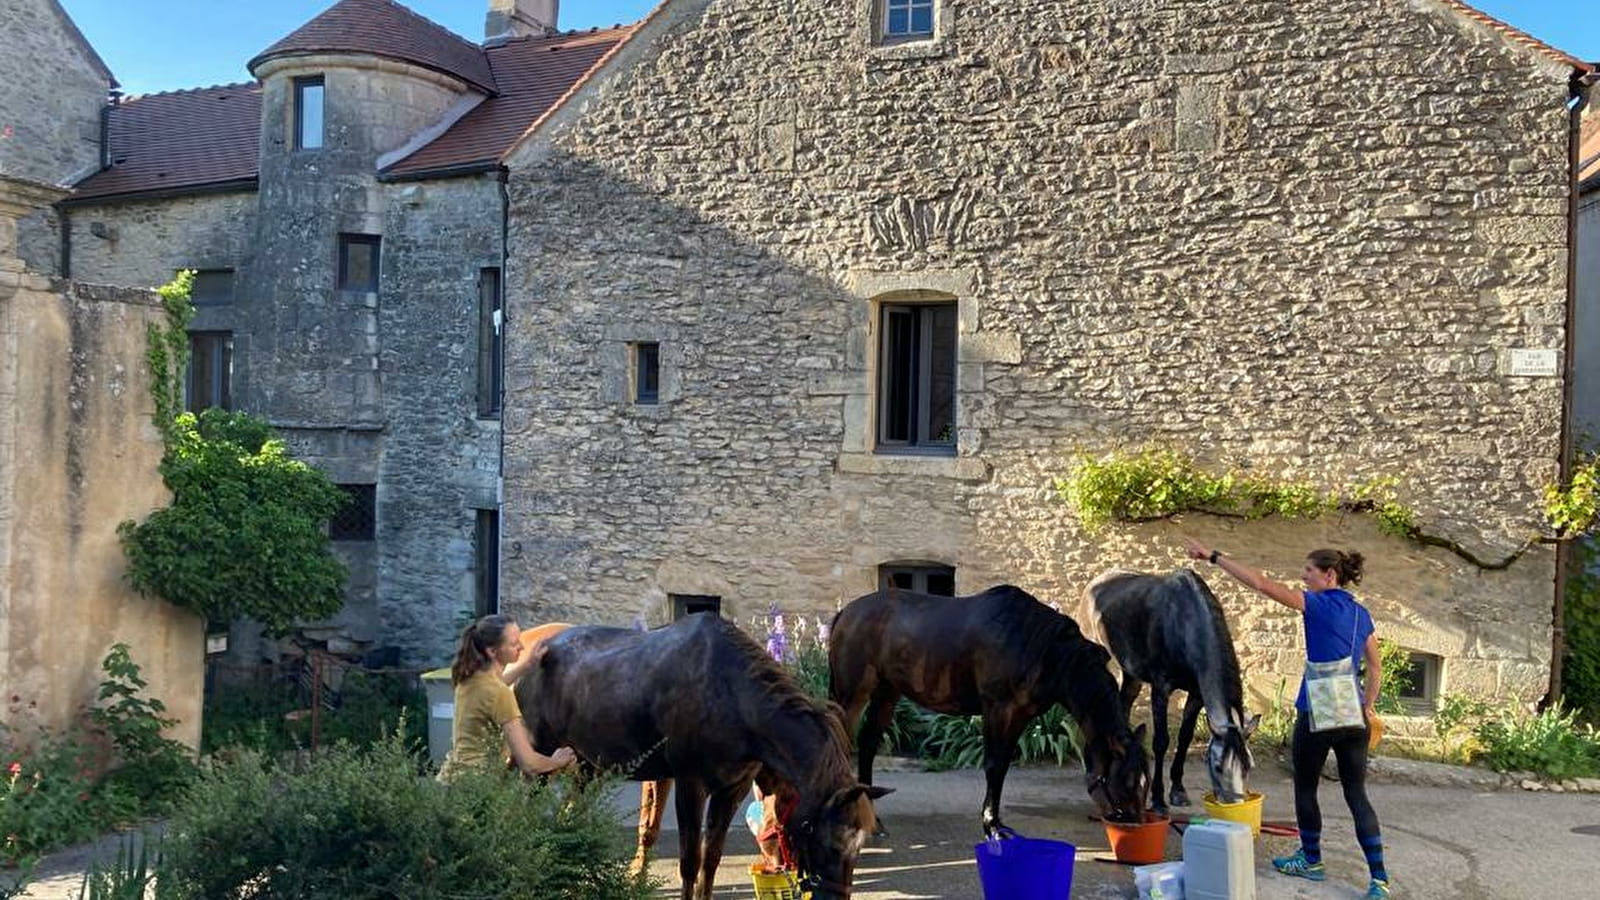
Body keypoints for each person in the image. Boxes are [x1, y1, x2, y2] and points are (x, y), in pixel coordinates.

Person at [1183, 539, 1391, 900]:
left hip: (1318, 710)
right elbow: (1375, 665)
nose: (1302, 577)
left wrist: (1214, 556)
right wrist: (1368, 706)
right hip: (1353, 713)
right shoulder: (1362, 614)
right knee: (1356, 793)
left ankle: (1311, 861)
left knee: (1305, 787)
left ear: (1329, 575)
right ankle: (1379, 880)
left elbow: (1261, 584)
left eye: (1308, 571)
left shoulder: (1317, 604)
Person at [435, 614, 578, 783]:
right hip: (478, 786)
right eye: (513, 643)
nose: (522, 647)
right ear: (492, 651)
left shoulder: (469, 678)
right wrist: (556, 761)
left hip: (452, 778)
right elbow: (529, 763)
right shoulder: (500, 693)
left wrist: (527, 665)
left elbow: (493, 689)